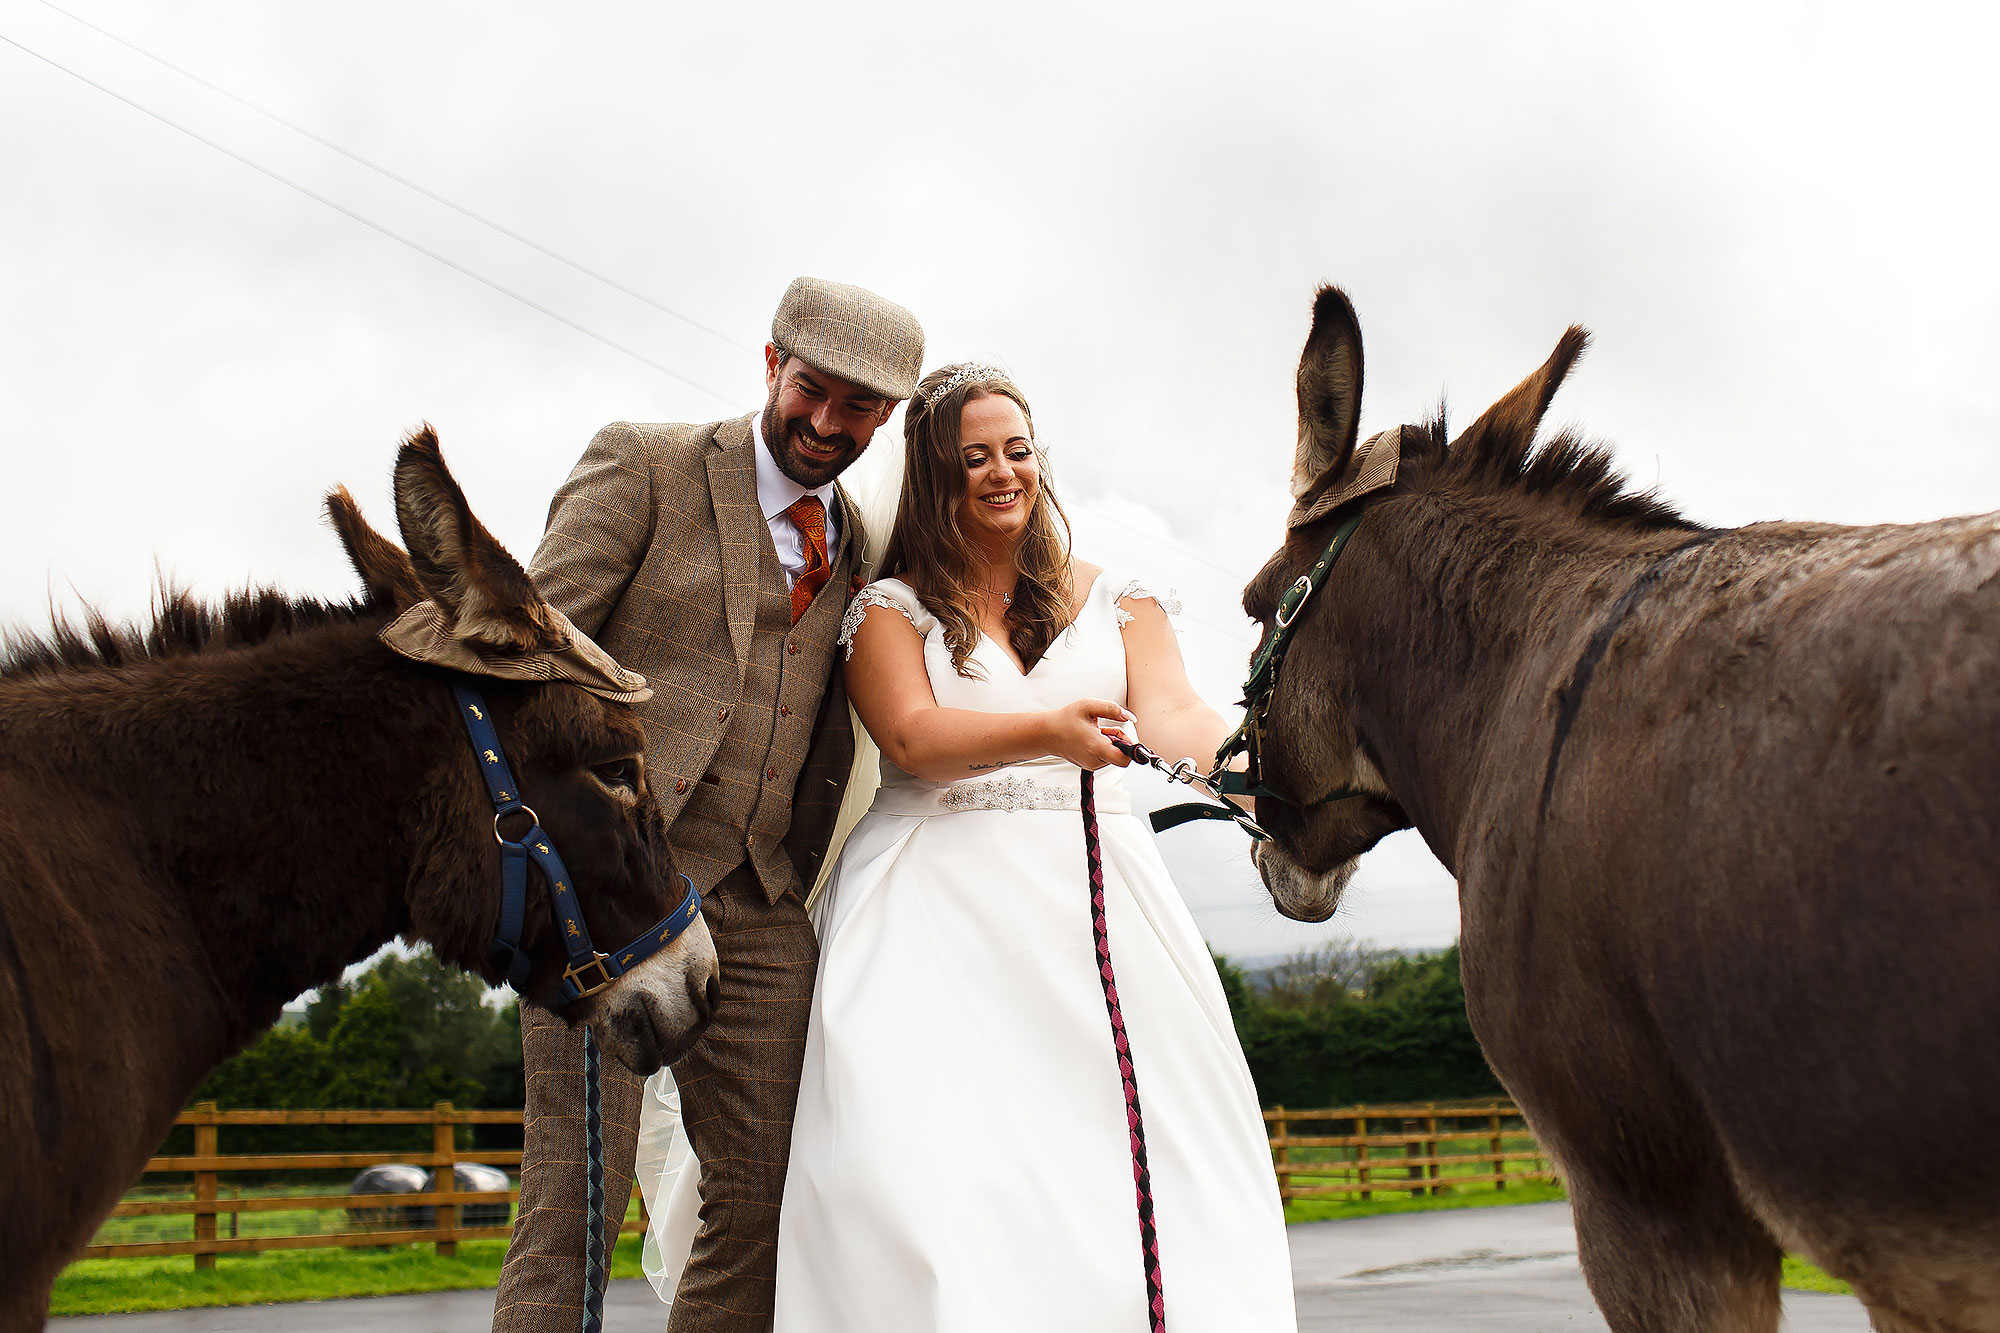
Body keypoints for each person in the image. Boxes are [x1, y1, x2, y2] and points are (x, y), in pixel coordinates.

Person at [641, 362, 1297, 1329]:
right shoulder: (888, 608)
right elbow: (911, 738)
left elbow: (1177, 716)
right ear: (935, 478)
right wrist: (1047, 732)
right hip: (929, 913)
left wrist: (1264, 776)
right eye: (972, 458)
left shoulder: (1123, 601)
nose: (1001, 473)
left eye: (1017, 450)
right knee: (928, 1170)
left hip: (1099, 905)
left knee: (1147, 1155)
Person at [491, 277, 924, 1333]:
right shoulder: (644, 464)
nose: (825, 425)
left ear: (887, 416)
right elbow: (523, 664)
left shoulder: (860, 546)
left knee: (773, 1190)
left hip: (762, 898)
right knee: (574, 1201)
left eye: (856, 409)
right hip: (609, 895)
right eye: (811, 391)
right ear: (770, 364)